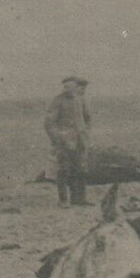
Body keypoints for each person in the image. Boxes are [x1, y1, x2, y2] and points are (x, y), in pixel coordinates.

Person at [45, 76, 92, 206]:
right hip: (64, 141)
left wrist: (85, 133)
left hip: (80, 141)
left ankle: (79, 199)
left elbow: (87, 118)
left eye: (70, 87)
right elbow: (49, 123)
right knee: (64, 169)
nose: (66, 89)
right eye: (65, 87)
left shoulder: (80, 100)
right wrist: (58, 138)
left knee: (81, 170)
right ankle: (63, 200)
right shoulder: (58, 101)